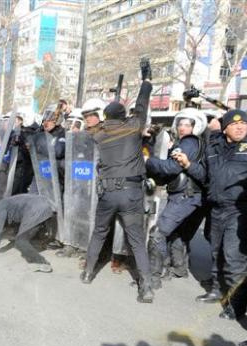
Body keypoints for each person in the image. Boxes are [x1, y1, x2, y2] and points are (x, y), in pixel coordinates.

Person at [80, 61, 155, 304]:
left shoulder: (99, 134)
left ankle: (88, 273)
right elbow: (142, 104)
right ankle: (146, 288)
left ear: (105, 117)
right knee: (136, 239)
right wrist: (146, 81)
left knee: (99, 232)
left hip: (108, 193)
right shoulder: (134, 127)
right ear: (125, 116)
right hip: (132, 193)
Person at [174, 110, 247, 319]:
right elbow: (206, 177)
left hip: (241, 210)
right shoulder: (213, 147)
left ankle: (236, 305)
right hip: (216, 207)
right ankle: (217, 290)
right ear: (225, 127)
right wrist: (188, 165)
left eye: (244, 125)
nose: (240, 128)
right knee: (216, 252)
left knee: (233, 258)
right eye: (235, 125)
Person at [145, 109, 207, 288]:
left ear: (196, 127)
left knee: (158, 234)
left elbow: (171, 168)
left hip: (184, 196)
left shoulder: (188, 142)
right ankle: (179, 268)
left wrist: (148, 161)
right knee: (177, 233)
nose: (182, 127)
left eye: (187, 124)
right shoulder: (196, 143)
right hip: (190, 196)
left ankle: (153, 278)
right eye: (180, 123)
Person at [0, 194, 54, 273]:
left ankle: (43, 264)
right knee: (25, 231)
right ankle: (44, 240)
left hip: (36, 210)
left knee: (20, 241)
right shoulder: (4, 203)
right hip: (46, 204)